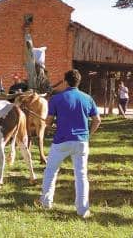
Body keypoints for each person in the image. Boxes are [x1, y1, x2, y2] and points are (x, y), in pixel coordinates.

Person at [37, 69, 101, 218]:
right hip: (81, 142)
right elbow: (97, 120)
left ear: (65, 82)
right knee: (81, 175)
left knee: (51, 172)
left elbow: (49, 121)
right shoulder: (88, 98)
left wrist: (49, 123)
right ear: (78, 82)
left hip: (61, 141)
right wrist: (88, 135)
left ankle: (46, 202)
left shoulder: (56, 99)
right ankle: (83, 210)